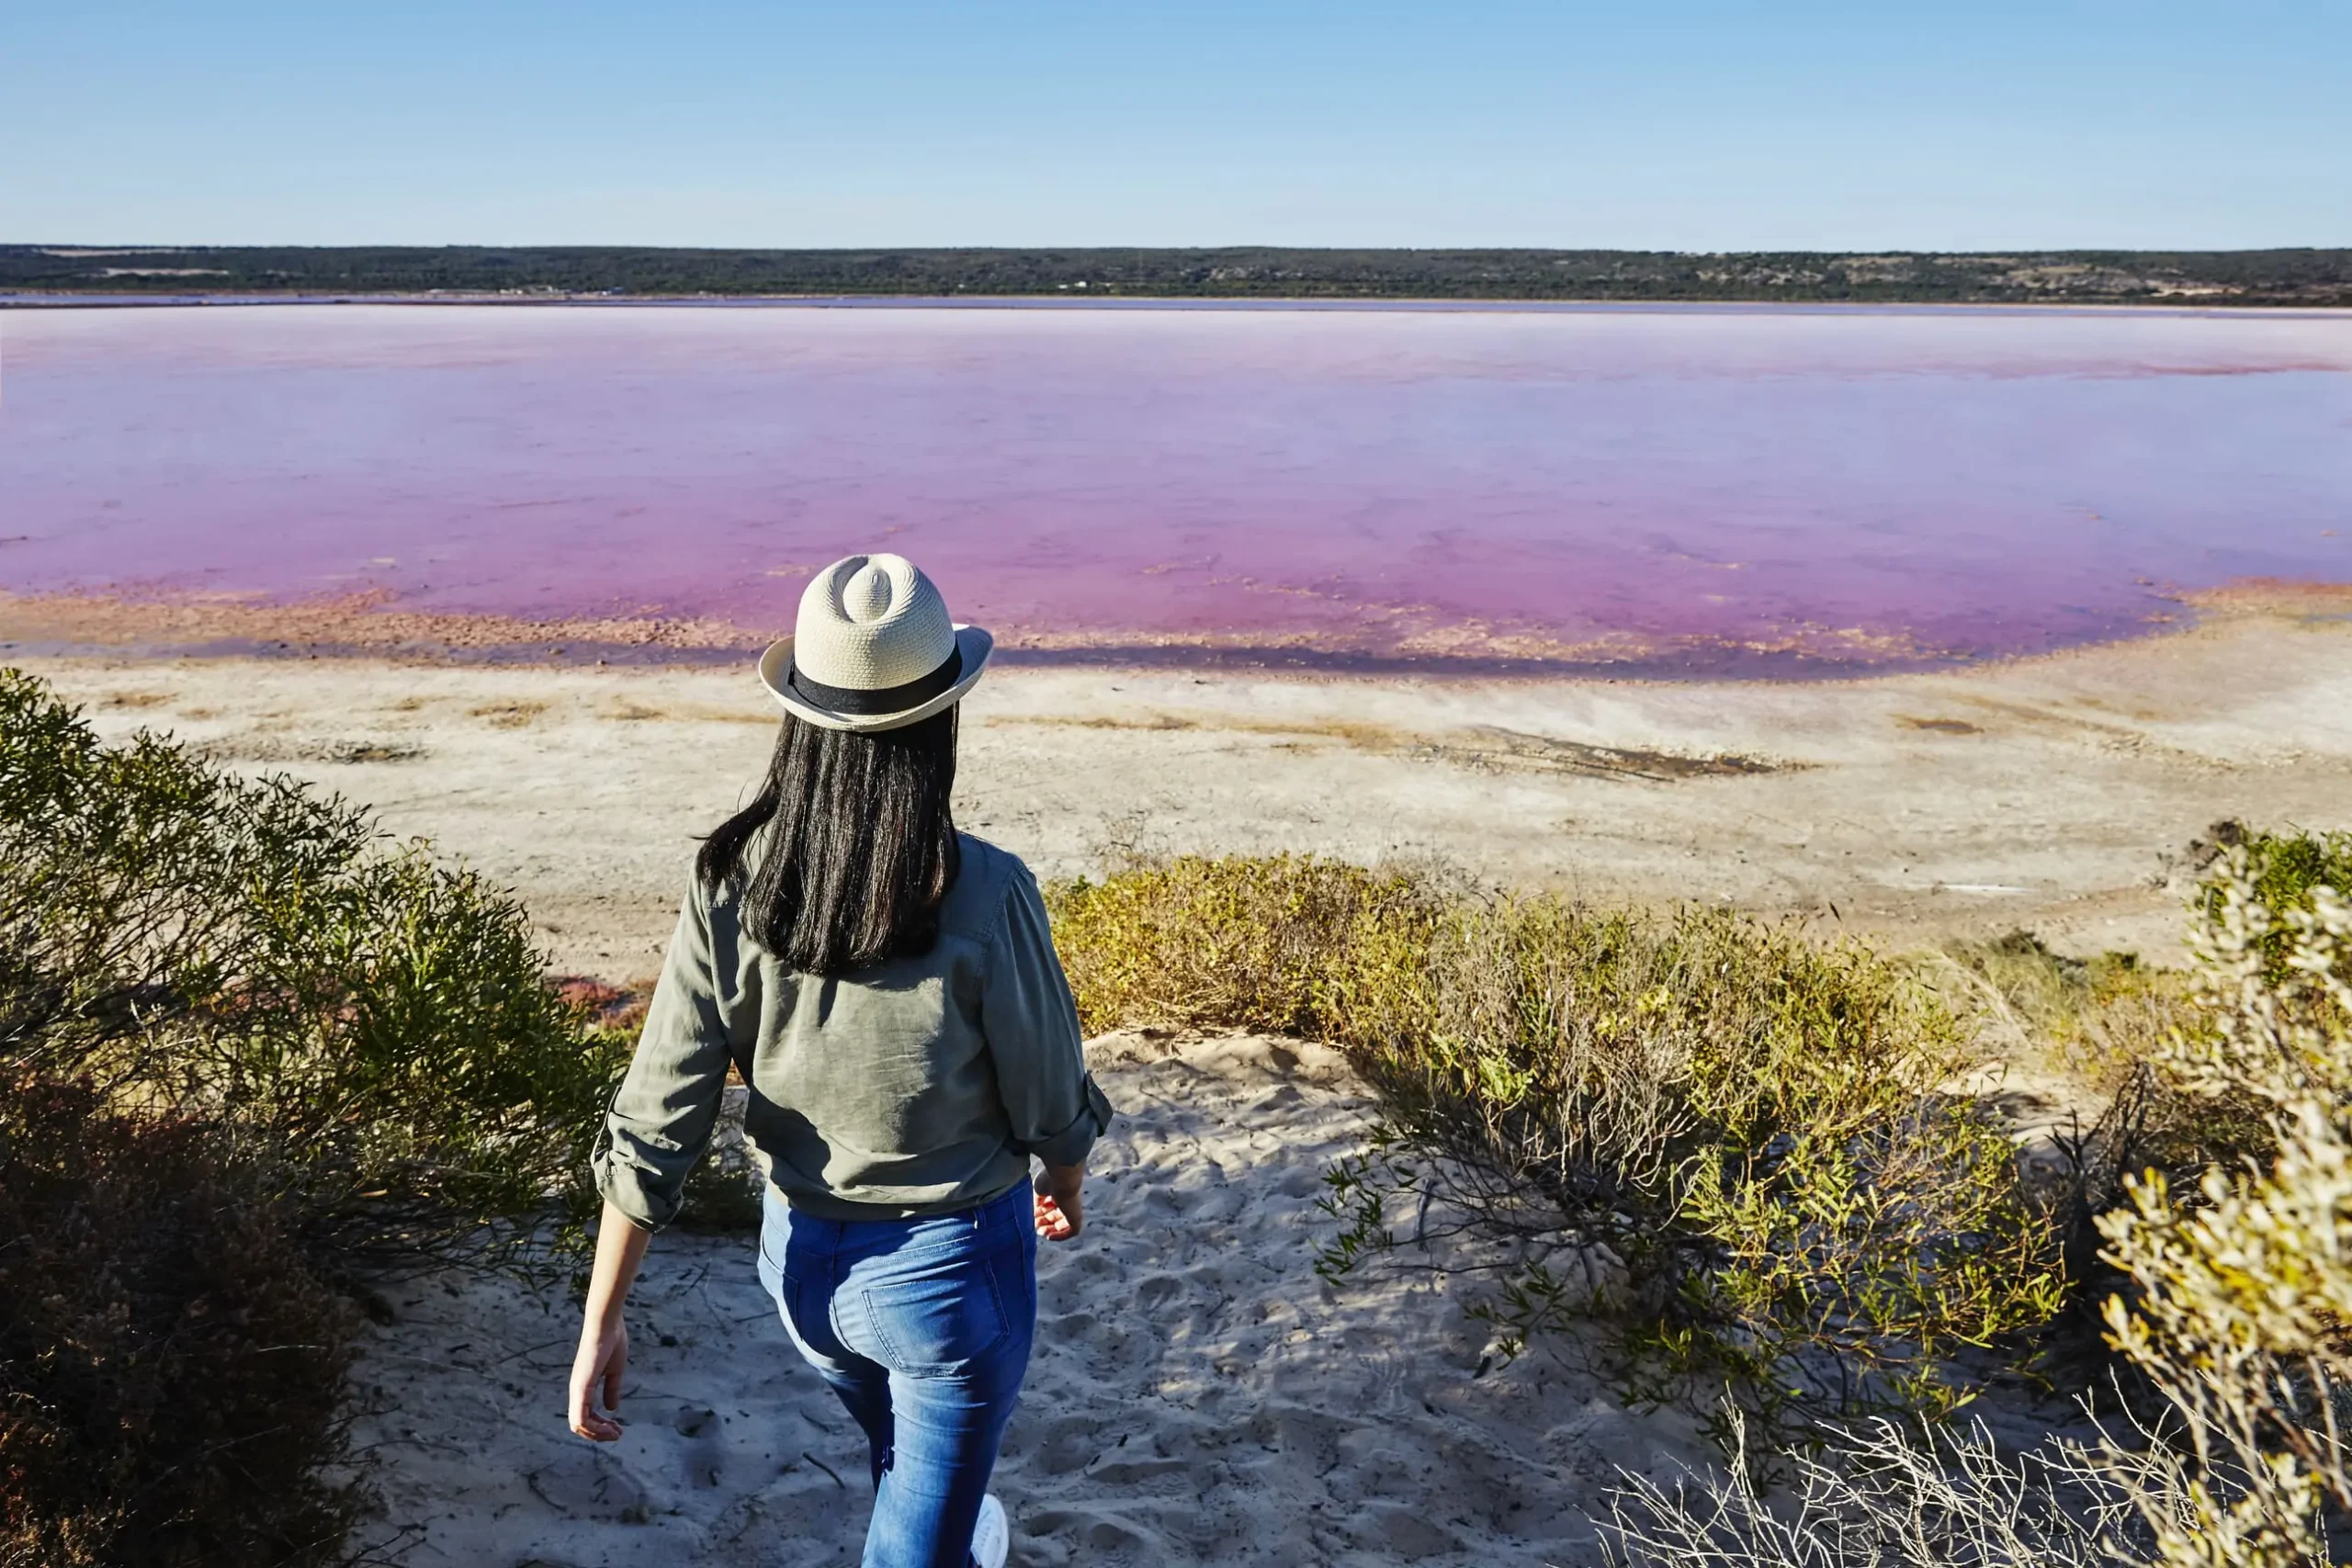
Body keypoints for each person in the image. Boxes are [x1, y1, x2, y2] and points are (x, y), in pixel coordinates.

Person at [568, 553, 1114, 1568]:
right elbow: (1049, 1094)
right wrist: (1068, 1181)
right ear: (940, 721)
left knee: (905, 1463)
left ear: (803, 719)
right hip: (949, 1276)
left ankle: (948, 1530)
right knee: (919, 1513)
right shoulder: (986, 890)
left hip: (800, 1268)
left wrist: (601, 1316)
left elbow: (658, 1119)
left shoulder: (728, 882)